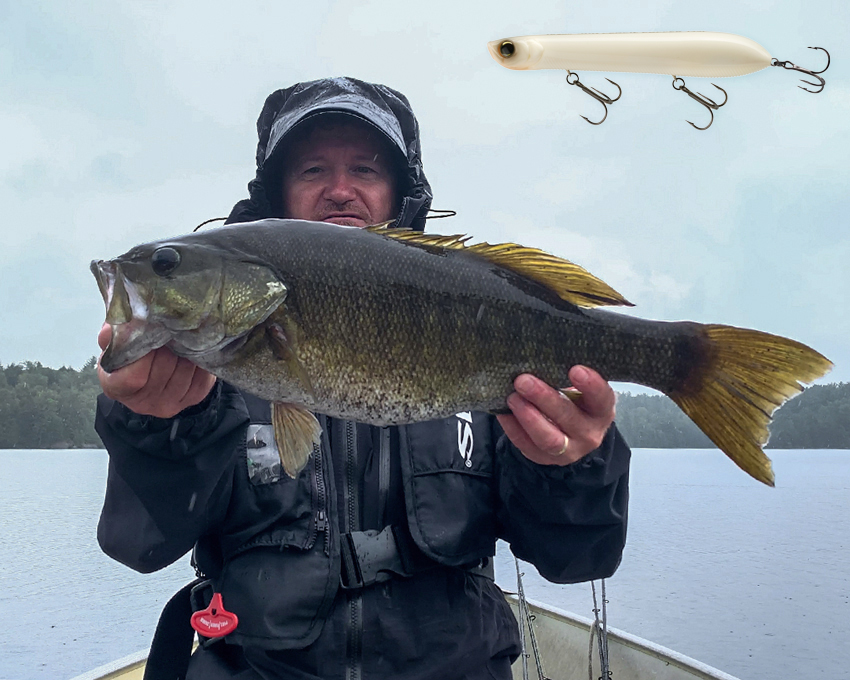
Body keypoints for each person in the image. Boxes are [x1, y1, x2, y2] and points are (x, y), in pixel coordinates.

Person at [95, 77, 630, 680]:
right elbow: (138, 547)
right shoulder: (196, 377)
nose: (340, 190)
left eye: (367, 170)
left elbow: (580, 556)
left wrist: (575, 462)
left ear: (401, 194)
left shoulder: (470, 312)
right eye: (314, 169)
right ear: (278, 196)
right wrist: (156, 431)